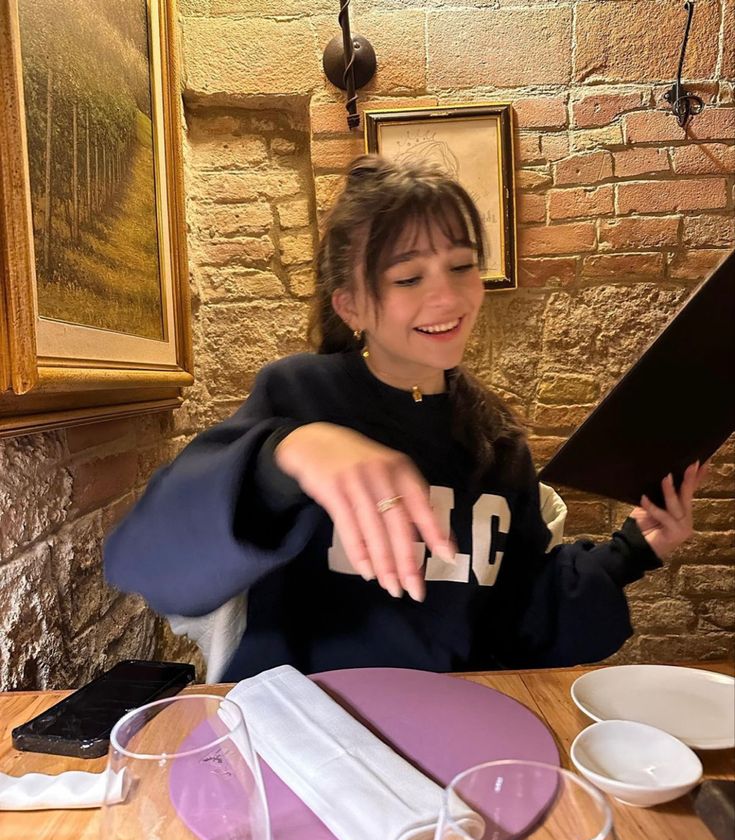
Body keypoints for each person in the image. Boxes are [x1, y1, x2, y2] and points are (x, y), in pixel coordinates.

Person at [104, 154, 705, 681]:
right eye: (409, 277)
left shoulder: (495, 442)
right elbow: (148, 560)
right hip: (306, 729)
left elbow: (519, 617)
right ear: (353, 305)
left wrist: (634, 549)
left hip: (453, 731)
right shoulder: (300, 394)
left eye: (462, 266)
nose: (446, 297)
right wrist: (290, 453)